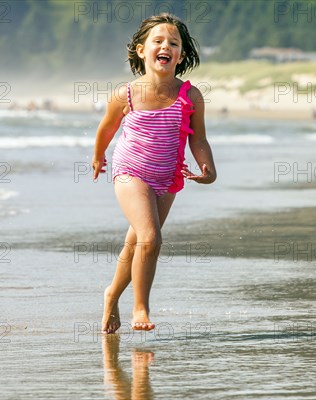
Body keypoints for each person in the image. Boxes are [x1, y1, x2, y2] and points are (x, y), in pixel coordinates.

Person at [92, 13, 216, 333]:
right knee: (151, 238)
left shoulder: (190, 96)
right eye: (157, 41)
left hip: (167, 177)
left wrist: (208, 168)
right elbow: (106, 129)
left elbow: (198, 139)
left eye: (173, 43)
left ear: (181, 54)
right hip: (130, 171)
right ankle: (141, 307)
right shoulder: (126, 94)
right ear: (140, 50)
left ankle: (111, 295)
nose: (166, 46)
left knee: (136, 244)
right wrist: (97, 158)